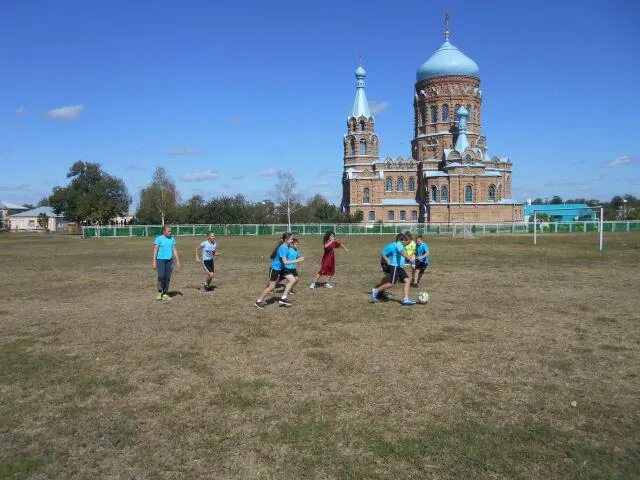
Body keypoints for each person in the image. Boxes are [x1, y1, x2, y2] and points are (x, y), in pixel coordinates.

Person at [255, 233, 304, 309]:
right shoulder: (283, 248)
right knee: (271, 287)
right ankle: (258, 301)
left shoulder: (287, 246)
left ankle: (283, 298)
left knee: (293, 279)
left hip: (282, 268)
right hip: (275, 268)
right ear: (286, 240)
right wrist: (297, 260)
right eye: (291, 239)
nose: (292, 240)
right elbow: (285, 262)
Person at [371, 233, 416, 305]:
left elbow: (402, 256)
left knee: (407, 280)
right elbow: (401, 252)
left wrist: (408, 260)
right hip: (394, 266)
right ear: (404, 240)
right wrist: (387, 260)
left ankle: (406, 299)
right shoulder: (398, 244)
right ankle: (376, 290)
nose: (408, 244)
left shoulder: (403, 246)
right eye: (408, 242)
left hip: (399, 266)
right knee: (392, 283)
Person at [153, 225, 181, 301]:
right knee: (161, 276)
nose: (170, 232)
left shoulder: (172, 239)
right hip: (160, 260)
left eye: (170, 231)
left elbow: (174, 250)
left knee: (167, 278)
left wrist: (177, 261)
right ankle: (159, 292)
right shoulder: (158, 239)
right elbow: (155, 250)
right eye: (168, 231)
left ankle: (165, 293)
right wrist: (154, 262)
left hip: (169, 261)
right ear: (164, 231)